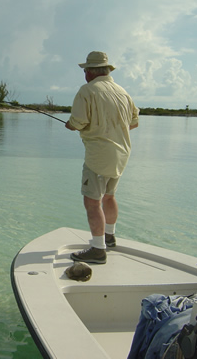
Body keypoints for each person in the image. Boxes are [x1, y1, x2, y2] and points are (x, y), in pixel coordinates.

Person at [65, 51, 139, 264]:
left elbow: (77, 122)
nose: (84, 74)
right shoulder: (123, 92)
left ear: (91, 71)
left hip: (99, 156)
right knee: (109, 196)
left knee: (92, 201)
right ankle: (109, 236)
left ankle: (98, 250)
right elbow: (134, 122)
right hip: (122, 153)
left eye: (85, 70)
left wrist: (70, 125)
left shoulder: (87, 91)